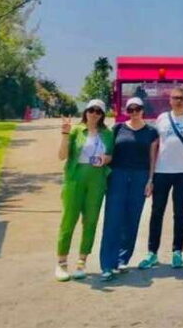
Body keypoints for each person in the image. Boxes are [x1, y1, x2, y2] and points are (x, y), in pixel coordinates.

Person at [139, 86, 183, 270]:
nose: (179, 101)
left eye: (182, 98)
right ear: (170, 100)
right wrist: (150, 177)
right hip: (162, 171)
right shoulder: (162, 118)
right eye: (175, 98)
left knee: (180, 212)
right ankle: (152, 253)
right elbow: (155, 147)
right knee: (157, 212)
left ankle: (177, 252)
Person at [99, 97, 158, 281]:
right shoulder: (117, 128)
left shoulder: (151, 132)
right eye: (130, 109)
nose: (134, 112)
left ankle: (122, 258)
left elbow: (152, 159)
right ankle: (107, 264)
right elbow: (108, 151)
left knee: (132, 219)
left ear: (143, 110)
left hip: (140, 177)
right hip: (118, 176)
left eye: (137, 109)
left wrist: (150, 180)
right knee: (113, 219)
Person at [55, 99, 114, 281]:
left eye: (98, 111)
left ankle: (82, 262)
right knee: (68, 220)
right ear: (86, 112)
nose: (94, 114)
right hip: (75, 179)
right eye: (91, 110)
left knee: (90, 221)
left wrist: (106, 159)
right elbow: (61, 156)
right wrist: (65, 134)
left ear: (102, 115)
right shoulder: (75, 131)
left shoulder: (107, 134)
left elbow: (111, 156)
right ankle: (61, 263)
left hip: (96, 180)